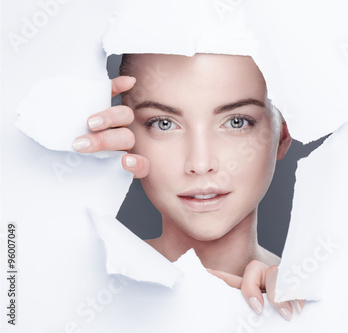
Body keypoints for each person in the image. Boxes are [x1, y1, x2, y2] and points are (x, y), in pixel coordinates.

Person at [72, 53, 304, 320]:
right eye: (164, 124)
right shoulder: (81, 293)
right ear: (128, 138)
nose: (200, 163)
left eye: (236, 122)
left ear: (282, 135)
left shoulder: (323, 296)